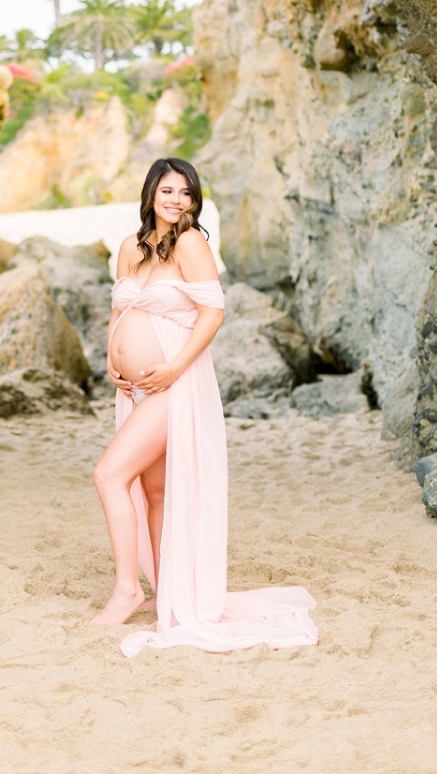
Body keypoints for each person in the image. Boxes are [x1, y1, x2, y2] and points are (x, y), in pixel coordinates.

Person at [91, 157, 319, 656]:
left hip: (175, 385)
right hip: (135, 389)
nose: (177, 201)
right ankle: (166, 589)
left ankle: (127, 589)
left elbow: (212, 314)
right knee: (154, 490)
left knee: (109, 476)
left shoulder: (190, 243)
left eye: (186, 193)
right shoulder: (130, 247)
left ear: (194, 200)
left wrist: (174, 369)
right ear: (151, 193)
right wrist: (112, 357)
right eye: (168, 191)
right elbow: (119, 308)